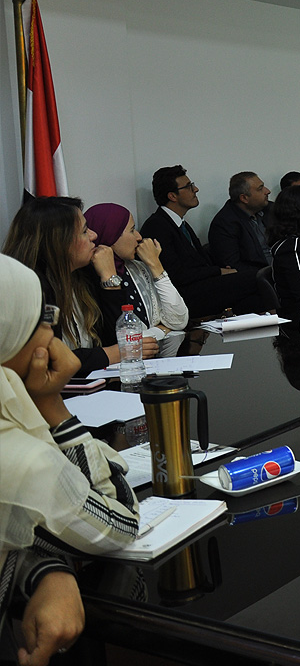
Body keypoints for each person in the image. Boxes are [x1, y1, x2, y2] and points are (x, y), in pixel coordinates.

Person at [0, 254, 140, 664]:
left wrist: (46, 572)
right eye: (42, 320)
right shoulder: (20, 459)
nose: (52, 332)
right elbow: (120, 522)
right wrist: (53, 407)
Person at [2, 197, 157, 377]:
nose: (94, 235)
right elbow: (46, 359)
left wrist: (109, 279)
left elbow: (115, 337)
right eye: (84, 231)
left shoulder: (84, 275)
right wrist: (112, 354)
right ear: (59, 241)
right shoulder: (32, 287)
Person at [140, 165, 263, 318]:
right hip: (184, 296)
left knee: (257, 286)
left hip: (202, 285)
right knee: (256, 278)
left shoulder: (180, 224)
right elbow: (176, 274)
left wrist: (220, 269)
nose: (196, 189)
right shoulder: (157, 226)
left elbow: (199, 262)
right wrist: (218, 271)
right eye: (188, 186)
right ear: (172, 196)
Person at [83, 203, 189, 345]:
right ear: (111, 235)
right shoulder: (90, 279)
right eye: (132, 230)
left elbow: (179, 320)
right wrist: (160, 330)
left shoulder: (136, 268)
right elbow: (123, 340)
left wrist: (155, 265)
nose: (139, 237)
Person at [208, 171, 273, 273]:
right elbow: (233, 266)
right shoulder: (224, 224)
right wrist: (270, 273)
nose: (268, 191)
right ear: (244, 198)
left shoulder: (270, 209)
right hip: (260, 277)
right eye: (260, 189)